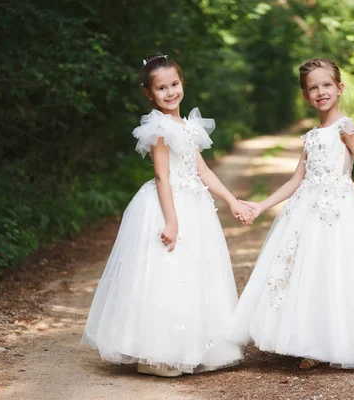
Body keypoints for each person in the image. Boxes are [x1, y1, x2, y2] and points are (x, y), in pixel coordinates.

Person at [228, 58, 354, 369]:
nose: (320, 92)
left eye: (326, 85)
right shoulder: (311, 136)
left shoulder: (345, 127)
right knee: (309, 274)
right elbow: (296, 179)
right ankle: (310, 341)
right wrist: (260, 205)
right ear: (305, 96)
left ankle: (344, 341)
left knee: (340, 271)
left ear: (339, 88)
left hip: (340, 210)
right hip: (306, 212)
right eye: (313, 88)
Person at [81, 54, 250, 377]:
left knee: (194, 275)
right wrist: (171, 221)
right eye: (162, 88)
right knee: (166, 273)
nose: (170, 92)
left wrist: (231, 200)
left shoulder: (189, 126)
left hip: (195, 203)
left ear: (182, 83)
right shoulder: (159, 128)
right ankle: (156, 355)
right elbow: (163, 176)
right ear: (149, 93)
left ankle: (188, 347)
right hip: (169, 204)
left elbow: (201, 169)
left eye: (175, 84)